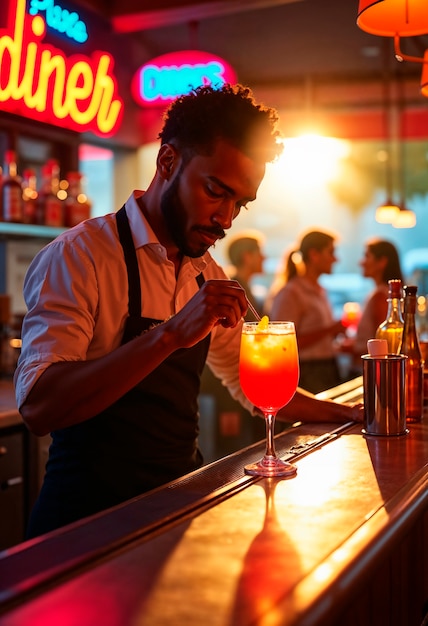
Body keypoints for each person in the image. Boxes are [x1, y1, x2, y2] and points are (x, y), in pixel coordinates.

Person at [15, 84, 362, 538]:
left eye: (240, 202)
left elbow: (252, 383)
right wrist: (171, 334)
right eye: (216, 190)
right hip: (86, 522)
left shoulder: (205, 270)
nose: (227, 218)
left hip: (175, 508)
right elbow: (39, 405)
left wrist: (351, 415)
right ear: (167, 162)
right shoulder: (80, 256)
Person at [267, 229, 345, 394]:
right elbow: (282, 344)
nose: (335, 259)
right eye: (331, 252)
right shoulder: (291, 292)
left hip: (326, 367)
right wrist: (329, 330)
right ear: (314, 254)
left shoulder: (320, 290)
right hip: (307, 372)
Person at [340, 238, 404, 376]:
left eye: (366, 256)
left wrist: (347, 347)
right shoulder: (380, 293)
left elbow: (384, 345)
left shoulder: (381, 296)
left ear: (382, 262)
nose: (361, 262)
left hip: (369, 372)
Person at [226, 230, 265, 320]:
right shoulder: (235, 291)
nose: (264, 258)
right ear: (247, 257)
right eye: (259, 253)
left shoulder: (243, 287)